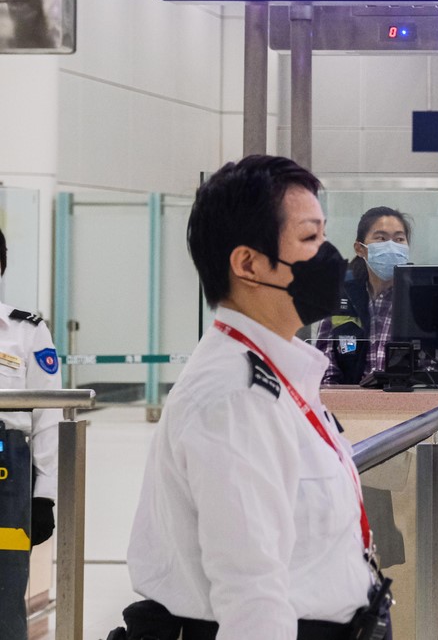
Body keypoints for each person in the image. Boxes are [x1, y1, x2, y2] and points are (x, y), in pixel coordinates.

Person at [123, 155, 388, 640]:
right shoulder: (233, 396)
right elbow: (252, 596)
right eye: (309, 238)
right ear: (248, 263)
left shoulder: (279, 372)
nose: (327, 255)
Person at [0, 225, 60, 640]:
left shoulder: (26, 331)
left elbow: (50, 416)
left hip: (9, 470)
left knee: (5, 589)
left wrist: (44, 497)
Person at [314, 207, 413, 385]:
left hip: (412, 402)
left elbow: (434, 367)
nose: (391, 246)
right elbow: (325, 368)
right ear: (360, 249)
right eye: (381, 238)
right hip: (353, 405)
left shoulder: (419, 294)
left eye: (399, 239)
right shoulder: (341, 295)